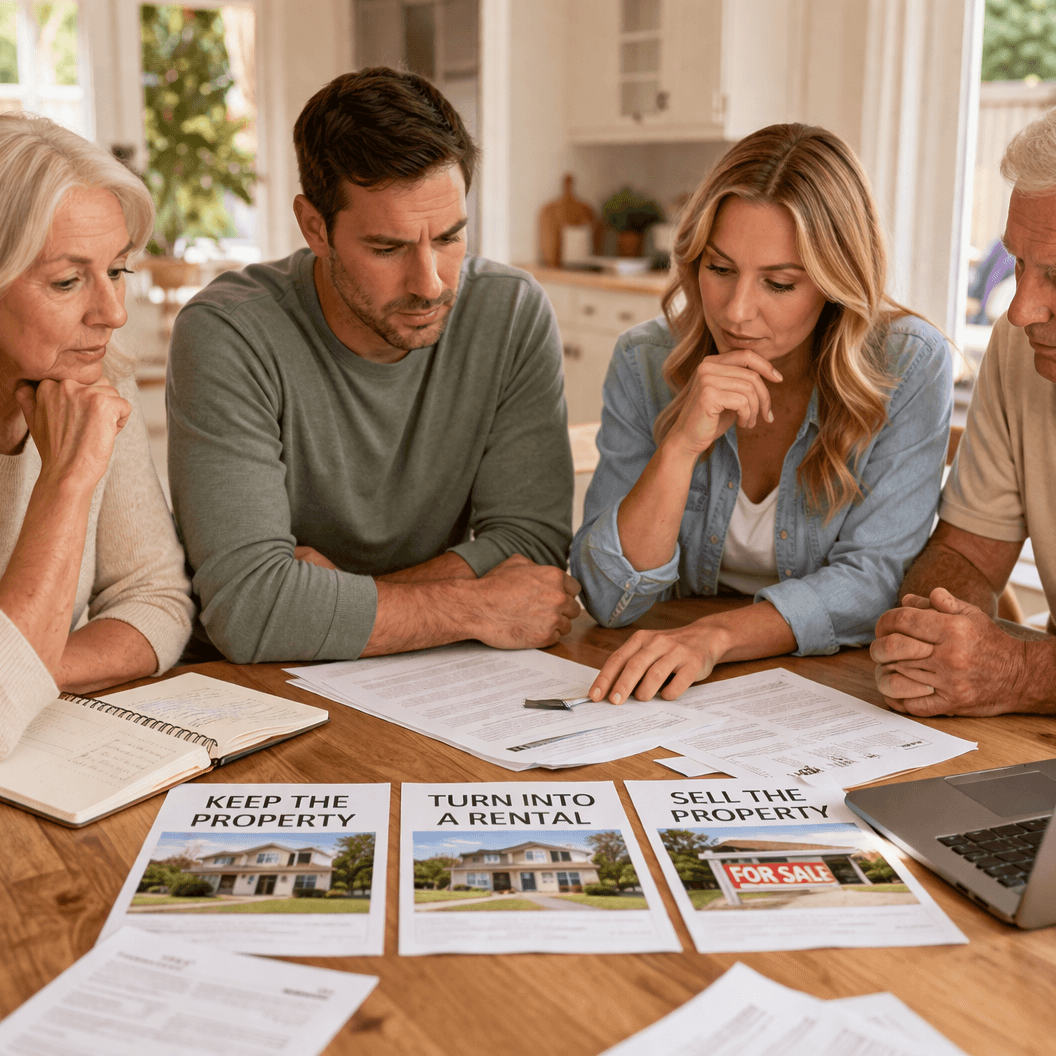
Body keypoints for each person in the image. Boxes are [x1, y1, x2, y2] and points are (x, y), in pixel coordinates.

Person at [167, 67, 578, 664]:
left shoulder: (509, 312)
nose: (430, 283)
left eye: (449, 237)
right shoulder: (229, 333)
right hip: (261, 684)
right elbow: (251, 611)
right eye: (387, 249)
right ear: (316, 228)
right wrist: (479, 605)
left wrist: (321, 603)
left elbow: (530, 545)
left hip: (435, 672)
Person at [571, 123, 952, 705]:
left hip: (828, 686)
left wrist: (716, 637)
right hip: (671, 686)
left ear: (835, 283)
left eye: (778, 283)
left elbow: (876, 581)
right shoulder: (646, 361)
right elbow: (608, 597)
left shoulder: (908, 365)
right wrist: (680, 446)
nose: (737, 311)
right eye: (719, 269)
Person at [0, 114, 194, 759]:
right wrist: (69, 477)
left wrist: (24, 675)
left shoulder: (94, 379)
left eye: (117, 270)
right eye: (66, 280)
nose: (111, 314)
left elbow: (157, 601)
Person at [872, 108, 1056, 716]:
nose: (1021, 310)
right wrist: (936, 631)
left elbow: (1015, 669)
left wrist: (1017, 671)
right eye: (1019, 266)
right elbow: (967, 554)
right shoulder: (1020, 349)